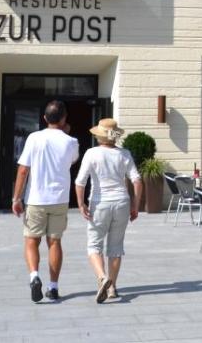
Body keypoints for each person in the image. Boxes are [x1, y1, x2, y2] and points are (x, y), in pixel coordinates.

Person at [12, 99, 80, 303]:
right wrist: (66, 133)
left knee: (32, 240)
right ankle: (53, 286)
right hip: (59, 198)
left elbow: (23, 170)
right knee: (55, 242)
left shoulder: (34, 138)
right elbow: (72, 160)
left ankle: (34, 276)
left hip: (36, 198)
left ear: (44, 118)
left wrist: (16, 198)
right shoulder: (71, 142)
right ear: (64, 118)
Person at [74, 118, 142, 303]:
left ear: (99, 136)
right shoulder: (125, 154)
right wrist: (136, 205)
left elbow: (80, 182)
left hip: (99, 203)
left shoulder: (92, 153)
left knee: (94, 245)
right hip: (122, 202)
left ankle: (102, 277)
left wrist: (80, 204)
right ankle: (112, 288)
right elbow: (137, 181)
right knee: (116, 247)